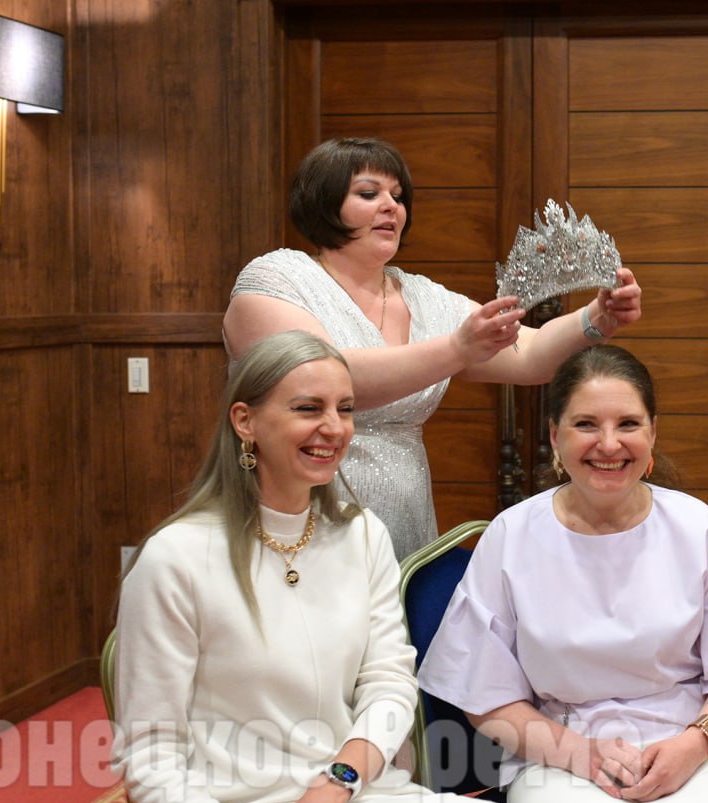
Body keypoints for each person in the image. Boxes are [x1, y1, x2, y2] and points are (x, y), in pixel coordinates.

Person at [112, 330, 551, 803]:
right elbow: (150, 756)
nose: (334, 428)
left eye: (344, 409)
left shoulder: (362, 535)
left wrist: (335, 783)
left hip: (356, 795)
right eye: (308, 408)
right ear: (244, 421)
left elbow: (389, 685)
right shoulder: (175, 558)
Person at [416, 345, 708, 803]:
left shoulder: (698, 527)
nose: (609, 443)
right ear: (555, 435)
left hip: (701, 742)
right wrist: (581, 753)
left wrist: (693, 744)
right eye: (586, 425)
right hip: (562, 753)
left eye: (628, 424)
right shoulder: (512, 536)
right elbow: (488, 701)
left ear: (653, 433)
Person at [223, 137, 643, 559]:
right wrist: (458, 348)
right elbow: (324, 380)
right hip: (297, 510)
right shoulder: (277, 278)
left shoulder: (424, 297)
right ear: (324, 203)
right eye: (369, 194)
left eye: (398, 197)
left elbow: (528, 355)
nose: (391, 207)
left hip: (405, 519)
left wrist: (596, 318)